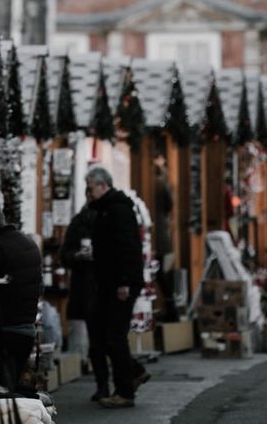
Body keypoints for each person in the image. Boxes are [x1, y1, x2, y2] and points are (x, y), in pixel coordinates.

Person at [86, 166, 148, 408]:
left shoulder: (118, 209)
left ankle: (125, 391)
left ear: (103, 185)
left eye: (91, 187)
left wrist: (124, 281)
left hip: (120, 284)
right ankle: (134, 372)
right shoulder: (105, 209)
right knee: (105, 334)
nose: (88, 192)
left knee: (114, 337)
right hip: (110, 283)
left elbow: (127, 247)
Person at [0, 185, 43, 390]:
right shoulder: (28, 242)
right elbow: (40, 285)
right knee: (15, 387)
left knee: (1, 390)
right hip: (27, 329)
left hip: (3, 331)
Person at [58, 192, 100, 395]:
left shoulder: (108, 219)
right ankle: (81, 363)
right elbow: (64, 255)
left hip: (99, 283)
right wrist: (77, 256)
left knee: (100, 330)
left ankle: (96, 369)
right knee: (82, 325)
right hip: (83, 282)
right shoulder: (78, 222)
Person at [154, 156, 179, 322]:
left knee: (159, 273)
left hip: (156, 234)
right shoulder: (162, 184)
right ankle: (171, 308)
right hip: (161, 233)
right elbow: (170, 206)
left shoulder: (154, 185)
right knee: (162, 273)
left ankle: (169, 309)